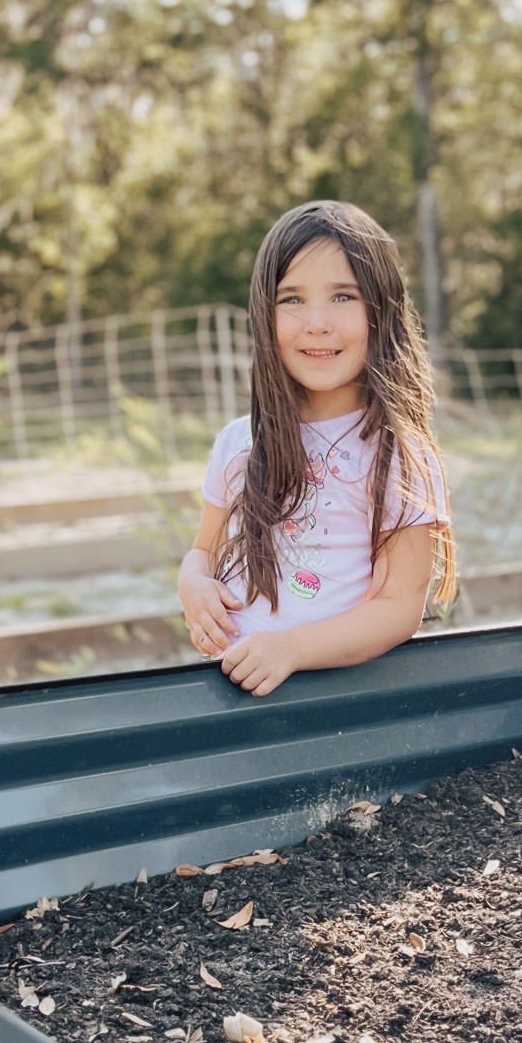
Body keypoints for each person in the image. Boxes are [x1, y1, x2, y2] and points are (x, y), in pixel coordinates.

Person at [178, 200, 457, 695]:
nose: (317, 322)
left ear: (381, 310)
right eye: (292, 299)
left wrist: (292, 649)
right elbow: (204, 549)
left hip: (333, 706)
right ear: (265, 315)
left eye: (343, 296)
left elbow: (398, 609)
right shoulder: (237, 443)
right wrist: (193, 585)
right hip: (231, 694)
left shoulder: (397, 455)